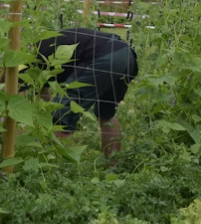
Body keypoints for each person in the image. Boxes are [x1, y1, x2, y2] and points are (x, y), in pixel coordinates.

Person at [33, 28, 139, 162]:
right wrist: (46, 111)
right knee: (107, 113)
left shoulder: (21, 63)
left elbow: (18, 98)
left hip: (103, 58)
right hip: (124, 54)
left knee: (60, 118)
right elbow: (43, 92)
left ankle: (68, 173)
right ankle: (113, 169)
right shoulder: (40, 48)